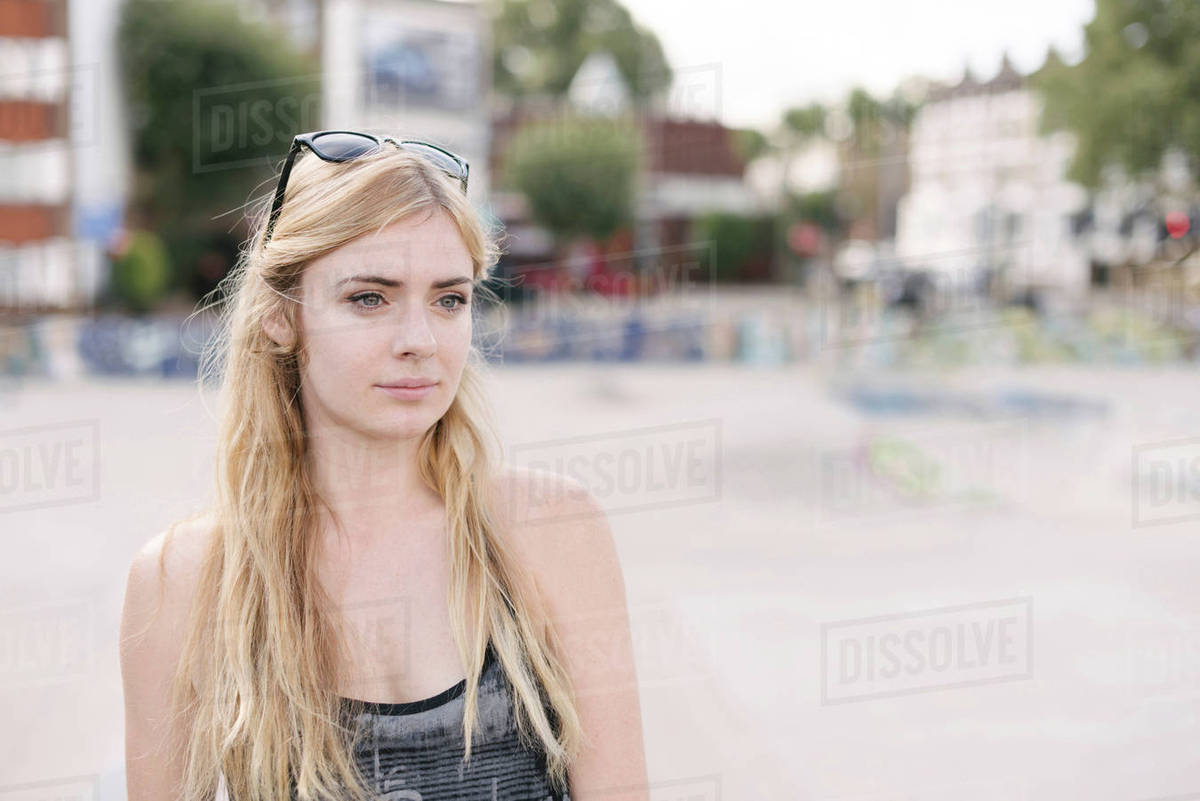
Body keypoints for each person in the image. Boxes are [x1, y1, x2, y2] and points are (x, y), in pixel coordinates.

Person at [119, 131, 650, 801]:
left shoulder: (551, 530)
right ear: (281, 317)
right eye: (370, 297)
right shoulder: (184, 580)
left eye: (449, 299)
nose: (419, 341)